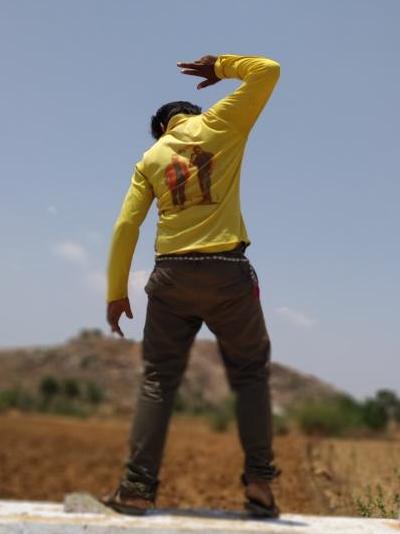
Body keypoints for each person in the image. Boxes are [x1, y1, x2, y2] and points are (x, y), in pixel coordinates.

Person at [102, 54, 281, 518]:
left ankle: (136, 489)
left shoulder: (151, 158)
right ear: (192, 115)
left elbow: (126, 225)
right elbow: (268, 70)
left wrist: (116, 291)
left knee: (158, 380)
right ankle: (260, 484)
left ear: (162, 129)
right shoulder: (222, 122)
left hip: (171, 276)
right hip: (227, 271)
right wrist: (220, 67)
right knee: (250, 374)